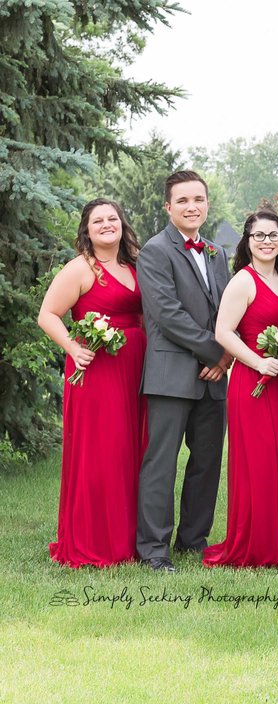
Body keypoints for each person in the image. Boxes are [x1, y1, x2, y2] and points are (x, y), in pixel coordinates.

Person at [38, 199, 146, 568]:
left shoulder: (133, 265)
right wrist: (71, 346)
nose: (106, 225)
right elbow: (47, 314)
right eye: (97, 220)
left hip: (134, 369)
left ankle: (129, 539)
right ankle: (94, 541)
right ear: (87, 228)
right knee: (101, 453)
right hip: (95, 370)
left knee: (132, 450)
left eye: (112, 218)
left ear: (122, 223)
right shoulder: (81, 268)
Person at [136, 170, 232, 572]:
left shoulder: (216, 252)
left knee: (207, 461)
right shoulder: (155, 251)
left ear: (207, 204)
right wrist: (214, 352)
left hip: (215, 377)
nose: (192, 207)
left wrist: (225, 358)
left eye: (199, 199)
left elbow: (227, 310)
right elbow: (167, 314)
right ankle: (154, 549)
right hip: (171, 375)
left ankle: (193, 540)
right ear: (168, 207)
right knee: (162, 462)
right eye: (183, 201)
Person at [203, 211, 278, 568]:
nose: (267, 241)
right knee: (260, 464)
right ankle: (258, 545)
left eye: (273, 235)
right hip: (254, 383)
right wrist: (258, 362)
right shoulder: (243, 281)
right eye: (259, 235)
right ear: (247, 241)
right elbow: (223, 332)